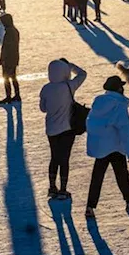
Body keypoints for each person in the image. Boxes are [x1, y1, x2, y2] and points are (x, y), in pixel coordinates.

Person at [84, 76, 129, 219]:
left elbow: (90, 123)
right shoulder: (118, 105)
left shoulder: (98, 103)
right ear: (118, 88)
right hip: (115, 146)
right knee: (122, 175)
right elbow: (125, 130)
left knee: (97, 176)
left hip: (101, 147)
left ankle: (90, 206)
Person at [39, 58, 87, 199]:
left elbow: (43, 109)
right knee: (64, 158)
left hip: (51, 129)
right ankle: (63, 189)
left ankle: (52, 187)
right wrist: (70, 66)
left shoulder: (46, 88)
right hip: (67, 128)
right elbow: (83, 74)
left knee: (54, 157)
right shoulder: (68, 86)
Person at [0, 13, 21, 103]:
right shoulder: (13, 31)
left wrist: (3, 59)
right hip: (13, 58)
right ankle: (16, 95)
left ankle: (9, 96)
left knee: (6, 77)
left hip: (9, 59)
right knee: (13, 77)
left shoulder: (10, 32)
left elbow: (7, 48)